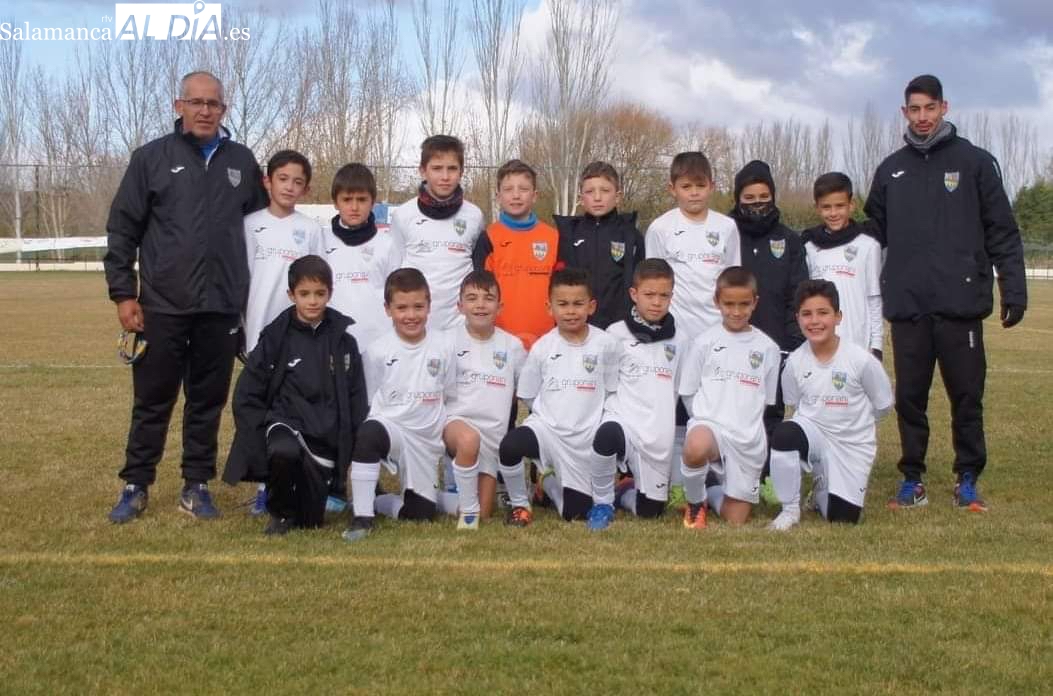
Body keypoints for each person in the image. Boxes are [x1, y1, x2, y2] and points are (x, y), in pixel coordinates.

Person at [104, 71, 268, 523]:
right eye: (195, 102)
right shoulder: (150, 159)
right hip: (162, 306)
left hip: (220, 309)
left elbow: (259, 233)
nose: (204, 110)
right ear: (179, 106)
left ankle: (196, 486)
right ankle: (136, 484)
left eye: (212, 104)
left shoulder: (242, 161)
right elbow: (122, 229)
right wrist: (124, 293)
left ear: (224, 110)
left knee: (207, 402)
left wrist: (248, 303)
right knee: (153, 401)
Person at [864, 74, 1027, 512]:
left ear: (944, 107)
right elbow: (868, 237)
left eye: (929, 108)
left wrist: (1014, 287)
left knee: (967, 397)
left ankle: (967, 479)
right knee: (910, 399)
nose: (921, 118)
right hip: (909, 307)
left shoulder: (975, 162)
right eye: (913, 110)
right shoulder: (890, 170)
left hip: (960, 307)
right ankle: (912, 481)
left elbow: (1003, 231)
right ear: (904, 112)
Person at [222, 256, 368, 535]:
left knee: (310, 522)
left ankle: (307, 497)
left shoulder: (344, 342)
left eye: (319, 294)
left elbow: (355, 397)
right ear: (291, 295)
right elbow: (247, 394)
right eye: (304, 294)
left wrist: (350, 442)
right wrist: (257, 435)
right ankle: (278, 512)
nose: (312, 301)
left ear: (330, 293)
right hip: (285, 423)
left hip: (323, 438)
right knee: (282, 450)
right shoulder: (275, 338)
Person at [646, 151, 742, 508]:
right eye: (686, 186)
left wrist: (729, 324)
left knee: (715, 402)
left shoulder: (726, 227)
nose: (694, 193)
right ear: (673, 188)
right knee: (675, 404)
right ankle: (674, 478)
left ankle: (719, 471)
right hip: (675, 333)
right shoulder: (660, 228)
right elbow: (653, 281)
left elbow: (734, 281)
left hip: (716, 332)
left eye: (701, 186)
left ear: (712, 186)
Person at [498, 268, 621, 527]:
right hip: (548, 431)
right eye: (562, 304)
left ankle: (548, 483)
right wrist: (550, 419)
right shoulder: (543, 347)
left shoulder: (607, 344)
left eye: (578, 304)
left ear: (592, 306)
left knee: (575, 514)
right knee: (510, 446)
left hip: (587, 438)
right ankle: (520, 505)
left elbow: (612, 392)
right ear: (549, 307)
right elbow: (529, 396)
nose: (571, 311)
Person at [768, 280, 893, 530]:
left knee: (844, 519)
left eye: (823, 313)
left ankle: (820, 488)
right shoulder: (794, 362)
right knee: (785, 432)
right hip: (814, 435)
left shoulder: (860, 360)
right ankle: (790, 510)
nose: (815, 321)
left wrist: (858, 426)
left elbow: (884, 404)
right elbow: (793, 404)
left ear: (838, 317)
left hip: (851, 446)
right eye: (807, 314)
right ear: (798, 318)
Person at [343, 268, 458, 542]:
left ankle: (378, 501)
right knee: (370, 431)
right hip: (392, 429)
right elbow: (370, 400)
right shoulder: (378, 350)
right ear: (388, 309)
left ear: (429, 306)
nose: (411, 315)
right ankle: (362, 516)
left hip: (425, 441)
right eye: (402, 308)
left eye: (418, 307)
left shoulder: (444, 345)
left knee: (420, 513)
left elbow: (450, 392)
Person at [729, 159, 808, 501]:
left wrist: (793, 341)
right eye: (749, 198)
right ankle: (734, 474)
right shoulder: (726, 232)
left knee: (771, 412)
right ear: (738, 198)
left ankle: (769, 477)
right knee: (736, 410)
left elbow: (797, 293)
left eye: (764, 197)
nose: (757, 204)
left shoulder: (789, 240)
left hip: (776, 341)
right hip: (733, 339)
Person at [678, 266, 781, 528]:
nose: (736, 311)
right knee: (696, 445)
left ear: (755, 303)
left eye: (744, 304)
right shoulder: (704, 343)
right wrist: (705, 420)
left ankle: (710, 488)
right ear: (717, 302)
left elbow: (766, 401)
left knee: (735, 520)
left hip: (747, 439)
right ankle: (694, 503)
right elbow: (688, 393)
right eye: (729, 304)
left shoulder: (768, 348)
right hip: (711, 428)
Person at [595, 259, 687, 524]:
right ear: (634, 294)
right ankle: (602, 504)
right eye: (649, 295)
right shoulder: (615, 333)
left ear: (672, 295)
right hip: (623, 421)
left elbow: (678, 391)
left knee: (651, 512)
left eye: (664, 295)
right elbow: (606, 383)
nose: (656, 302)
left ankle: (622, 491)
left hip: (657, 435)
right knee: (607, 434)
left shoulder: (681, 340)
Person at [443, 270, 528, 528]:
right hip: (457, 427)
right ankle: (467, 517)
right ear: (459, 306)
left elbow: (524, 393)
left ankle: (431, 500)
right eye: (472, 298)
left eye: (488, 298)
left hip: (492, 440)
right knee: (469, 440)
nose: (480, 304)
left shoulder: (512, 346)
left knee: (487, 511)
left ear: (500, 306)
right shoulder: (447, 342)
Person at [388, 135, 485, 332]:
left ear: (461, 172)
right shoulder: (403, 215)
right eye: (437, 168)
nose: (445, 177)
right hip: (416, 326)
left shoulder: (474, 215)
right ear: (423, 171)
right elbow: (394, 270)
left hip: (461, 328)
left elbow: (478, 270)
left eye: (452, 168)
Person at [243, 150, 325, 355]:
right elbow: (241, 278)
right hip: (257, 324)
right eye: (283, 179)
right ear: (267, 182)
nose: (289, 187)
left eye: (298, 182)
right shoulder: (249, 225)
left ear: (306, 189)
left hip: (299, 329)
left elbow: (319, 281)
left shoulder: (311, 229)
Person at [472, 159, 559, 349]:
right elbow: (479, 293)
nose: (516, 195)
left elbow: (562, 291)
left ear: (535, 195)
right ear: (498, 196)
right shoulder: (489, 238)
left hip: (546, 342)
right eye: (509, 189)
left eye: (524, 189)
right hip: (498, 341)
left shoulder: (553, 237)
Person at [554, 161, 645, 329]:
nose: (597, 197)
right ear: (581, 199)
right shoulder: (567, 234)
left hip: (620, 328)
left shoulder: (631, 235)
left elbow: (641, 284)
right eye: (590, 191)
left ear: (617, 196)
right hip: (578, 327)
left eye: (605, 191)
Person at [323, 163, 402, 353]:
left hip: (378, 344)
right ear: (335, 202)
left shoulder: (387, 244)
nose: (354, 207)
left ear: (373, 201)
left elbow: (398, 296)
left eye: (362, 199)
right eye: (347, 199)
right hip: (333, 343)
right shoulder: (321, 240)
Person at [802, 172, 883, 358]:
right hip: (820, 343)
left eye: (839, 206)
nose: (833, 213)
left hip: (857, 344)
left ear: (851, 205)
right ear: (817, 208)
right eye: (826, 207)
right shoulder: (809, 246)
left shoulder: (868, 245)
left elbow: (874, 299)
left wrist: (876, 345)